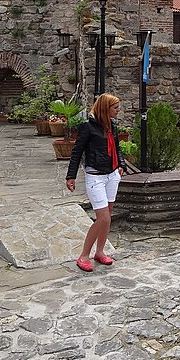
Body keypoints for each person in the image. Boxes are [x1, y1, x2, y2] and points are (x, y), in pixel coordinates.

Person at [65, 93, 130, 272]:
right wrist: (71, 176)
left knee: (108, 214)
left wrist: (121, 165)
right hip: (96, 177)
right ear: (105, 108)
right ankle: (84, 255)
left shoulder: (112, 125)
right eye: (115, 108)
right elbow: (77, 152)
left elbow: (117, 147)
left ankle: (100, 252)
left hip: (111, 175)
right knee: (103, 218)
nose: (118, 111)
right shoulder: (87, 127)